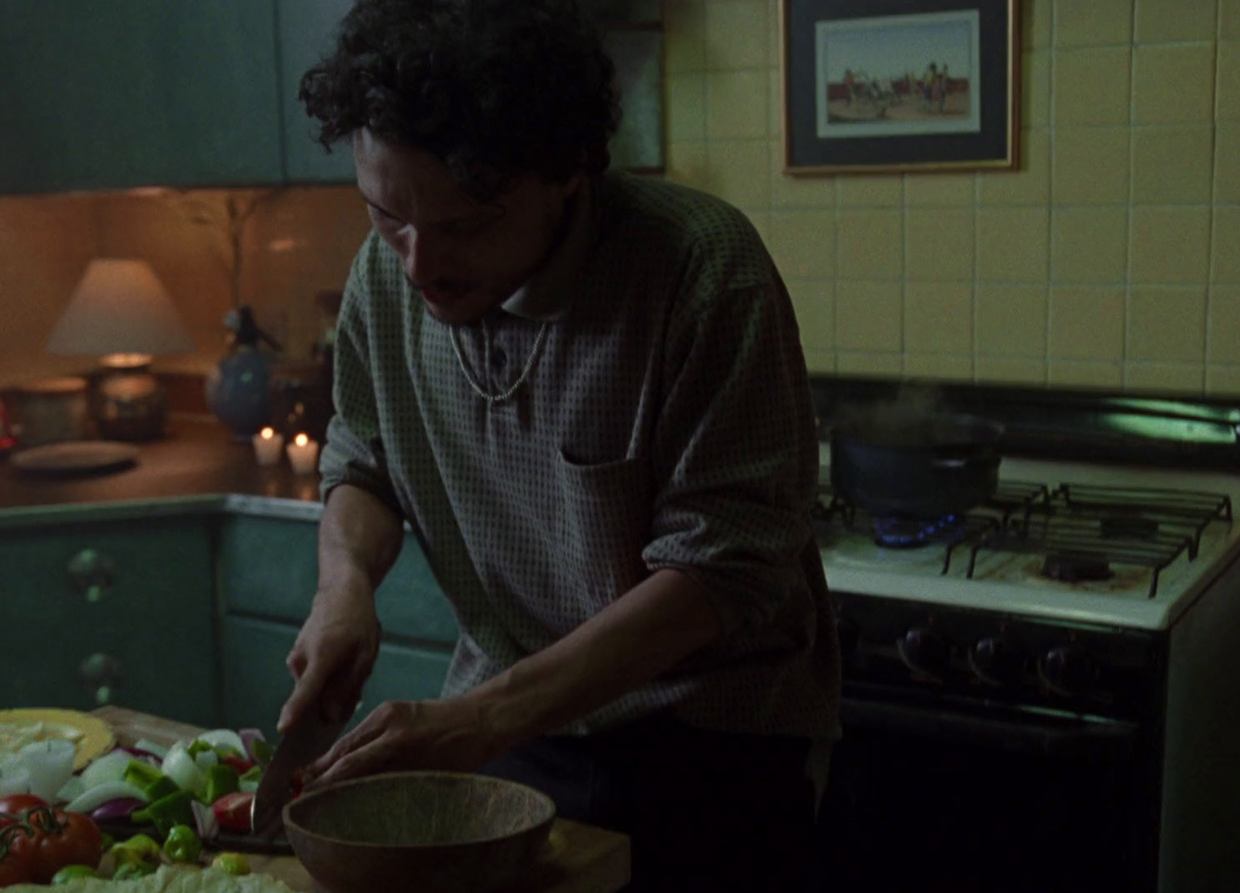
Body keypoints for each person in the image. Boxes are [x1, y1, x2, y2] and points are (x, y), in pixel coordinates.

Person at [278, 1, 840, 890]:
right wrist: (343, 588)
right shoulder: (385, 274)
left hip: (707, 744)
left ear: (571, 173)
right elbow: (364, 455)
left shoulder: (698, 271)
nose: (419, 264)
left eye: (468, 224)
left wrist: (477, 719)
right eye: (389, 215)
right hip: (507, 728)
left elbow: (724, 568)